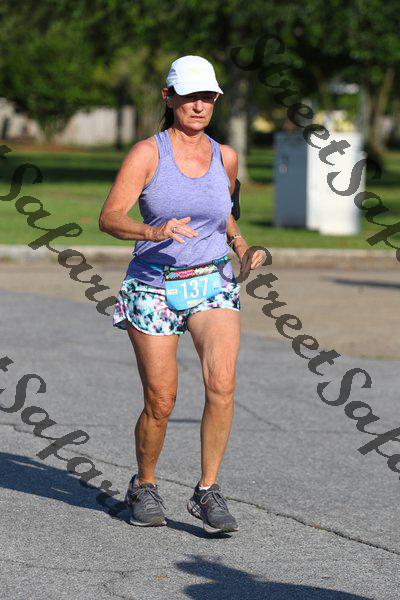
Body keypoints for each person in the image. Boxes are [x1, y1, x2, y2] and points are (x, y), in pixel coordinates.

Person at [99, 55, 265, 534]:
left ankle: (207, 490)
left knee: (223, 384)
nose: (198, 105)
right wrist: (153, 231)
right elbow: (109, 217)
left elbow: (223, 209)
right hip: (153, 284)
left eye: (207, 97)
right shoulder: (147, 154)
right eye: (189, 96)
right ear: (168, 98)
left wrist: (241, 245)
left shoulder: (225, 156)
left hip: (212, 280)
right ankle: (144, 484)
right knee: (162, 399)